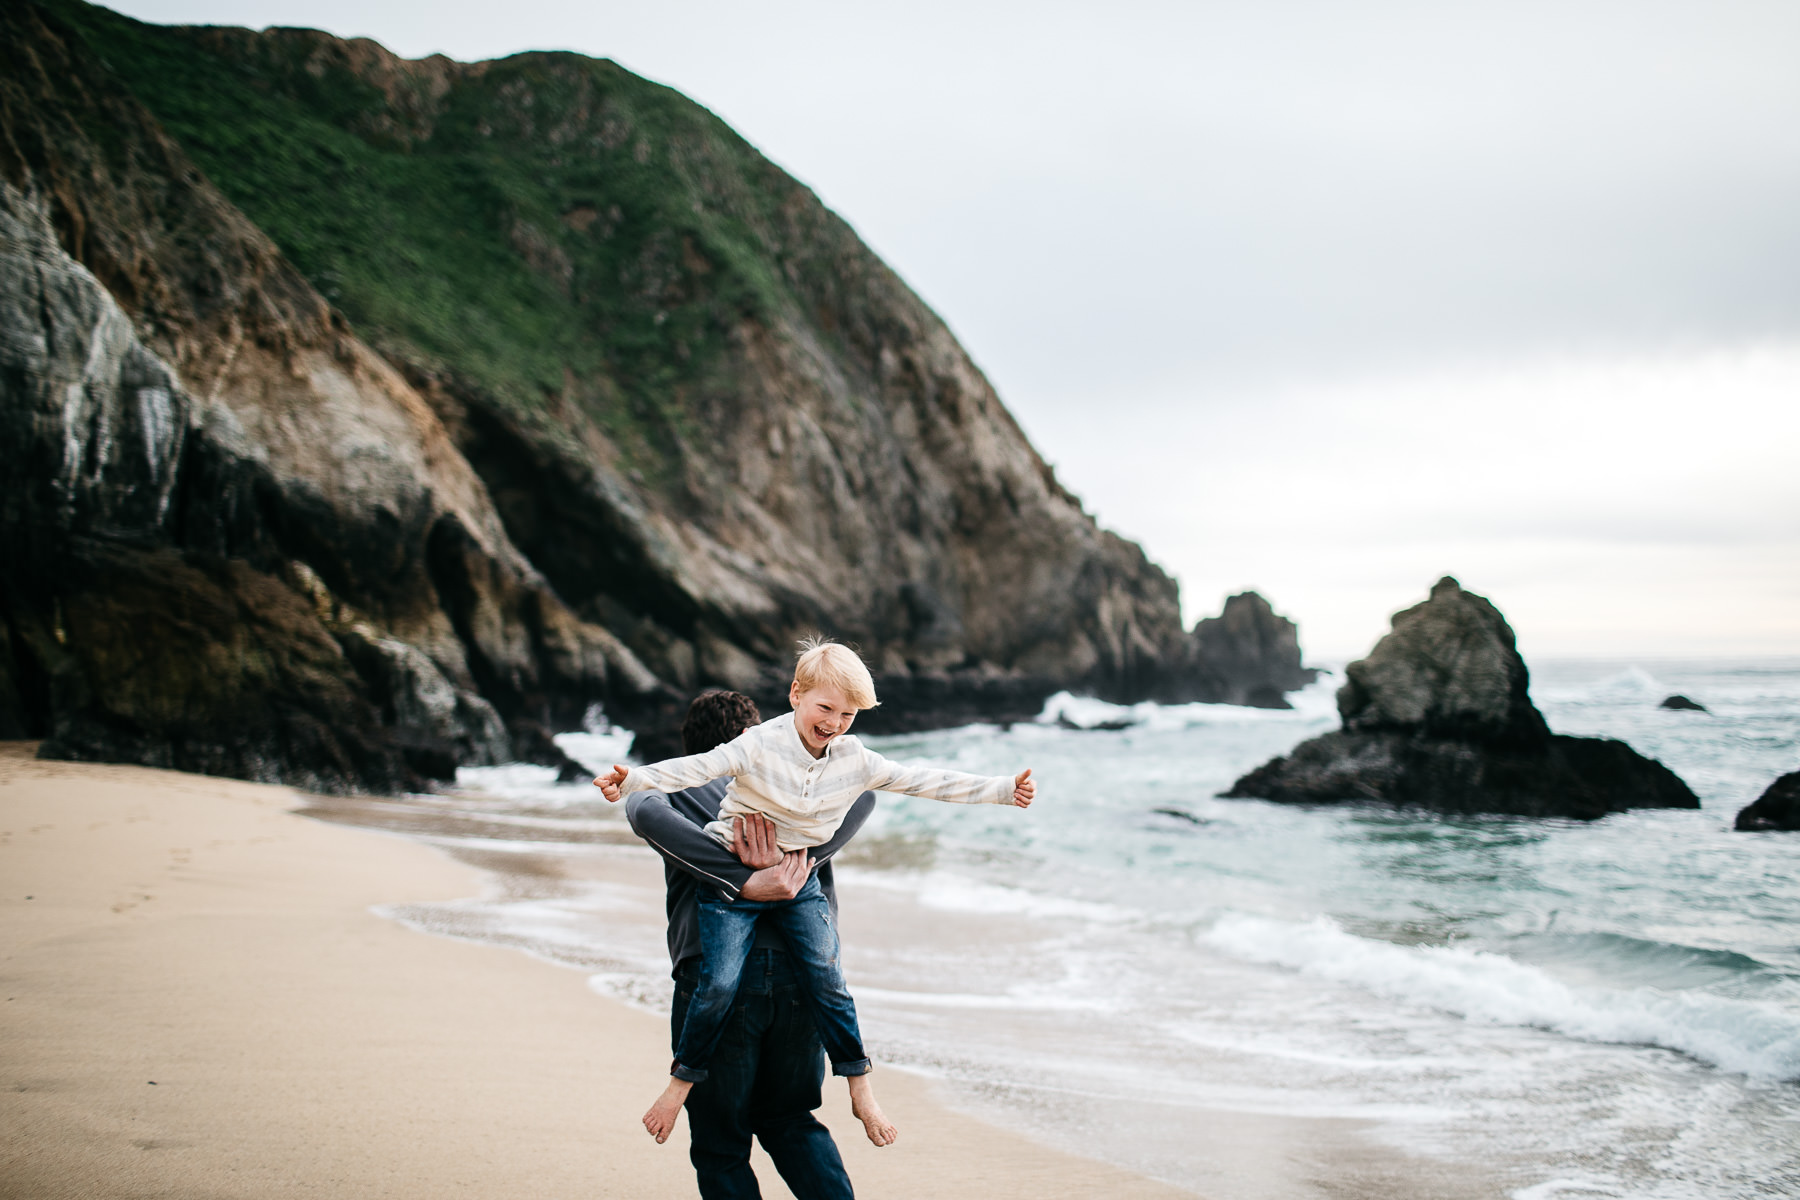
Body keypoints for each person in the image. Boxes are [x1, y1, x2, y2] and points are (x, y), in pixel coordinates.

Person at [597, 638, 1035, 1149]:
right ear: (795, 695)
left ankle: (860, 1084)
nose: (834, 722)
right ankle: (679, 1083)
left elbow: (922, 780)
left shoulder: (853, 761)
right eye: (825, 708)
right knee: (717, 984)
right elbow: (693, 767)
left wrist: (1003, 790)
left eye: (847, 713)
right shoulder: (757, 744)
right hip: (732, 895)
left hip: (795, 888)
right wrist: (631, 780)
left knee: (828, 974)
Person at [625, 688, 874, 1198]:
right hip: (800, 982)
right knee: (790, 1119)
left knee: (721, 1144)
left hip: (715, 980)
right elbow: (866, 795)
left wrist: (731, 877)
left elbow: (641, 805)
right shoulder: (808, 790)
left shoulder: (676, 792)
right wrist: (766, 872)